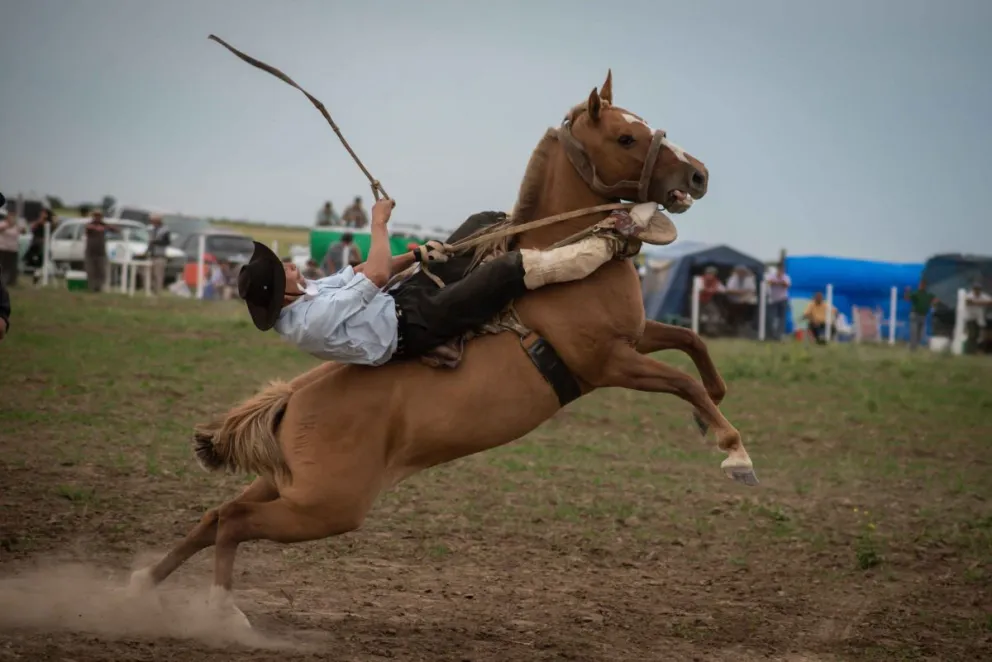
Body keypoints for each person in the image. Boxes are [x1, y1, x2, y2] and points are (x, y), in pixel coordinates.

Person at [238, 199, 665, 365]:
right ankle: (612, 242)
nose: (291, 267)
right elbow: (378, 273)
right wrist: (378, 224)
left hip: (406, 296)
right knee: (504, 271)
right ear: (281, 291)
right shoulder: (308, 322)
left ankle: (578, 220)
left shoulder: (309, 292)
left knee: (482, 223)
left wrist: (421, 254)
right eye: (284, 270)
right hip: (413, 328)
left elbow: (365, 273)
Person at [904, 278, 938, 351]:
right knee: (914, 332)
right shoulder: (916, 293)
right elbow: (907, 298)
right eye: (921, 284)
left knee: (920, 334)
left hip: (923, 316)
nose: (921, 286)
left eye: (923, 285)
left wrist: (932, 303)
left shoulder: (929, 294)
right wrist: (907, 291)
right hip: (915, 314)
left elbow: (935, 299)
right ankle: (913, 349)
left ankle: (913, 346)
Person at [84, 210, 109, 292]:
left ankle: (99, 287)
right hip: (91, 252)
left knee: (101, 271)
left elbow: (114, 229)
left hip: (101, 252)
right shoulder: (90, 225)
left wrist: (104, 228)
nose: (97, 218)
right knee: (91, 270)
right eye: (96, 216)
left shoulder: (104, 225)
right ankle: (92, 287)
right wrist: (96, 228)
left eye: (99, 216)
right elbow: (88, 228)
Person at [764, 263, 791, 340]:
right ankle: (771, 334)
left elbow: (787, 285)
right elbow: (768, 282)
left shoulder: (786, 277)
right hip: (773, 300)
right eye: (779, 269)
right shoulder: (771, 276)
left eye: (782, 269)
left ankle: (779, 335)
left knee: (782, 318)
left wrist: (778, 282)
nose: (780, 271)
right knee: (771, 318)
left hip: (783, 299)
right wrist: (778, 282)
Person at [146, 214, 172, 294]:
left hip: (160, 255)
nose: (152, 222)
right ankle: (150, 290)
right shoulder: (152, 229)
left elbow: (167, 242)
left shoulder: (165, 230)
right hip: (152, 254)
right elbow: (150, 242)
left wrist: (156, 242)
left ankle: (158, 291)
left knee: (158, 274)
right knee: (150, 274)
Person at [964, 281, 992, 354]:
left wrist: (976, 302)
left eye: (978, 289)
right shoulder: (969, 295)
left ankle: (974, 350)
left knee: (978, 336)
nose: (977, 290)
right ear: (973, 289)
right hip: (970, 318)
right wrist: (981, 303)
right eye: (975, 289)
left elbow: (990, 301)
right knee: (972, 335)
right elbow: (968, 302)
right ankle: (969, 351)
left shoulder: (983, 296)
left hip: (979, 319)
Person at [0, 206, 21, 287]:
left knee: (12, 267)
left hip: (13, 249)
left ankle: (11, 281)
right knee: (2, 266)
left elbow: (22, 231)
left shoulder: (16, 226)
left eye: (14, 216)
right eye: (11, 216)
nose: (12, 218)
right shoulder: (3, 223)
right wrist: (8, 225)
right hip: (3, 248)